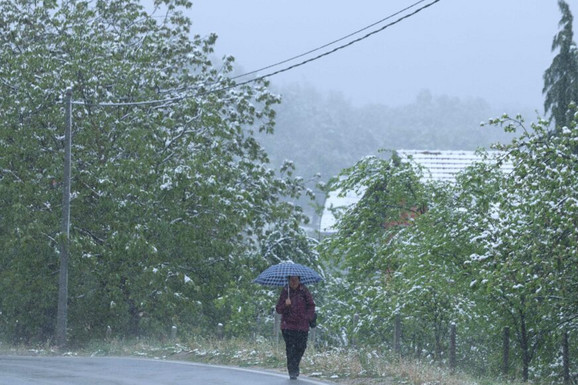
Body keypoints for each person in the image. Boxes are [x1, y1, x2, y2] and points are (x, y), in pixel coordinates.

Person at [275, 275, 316, 380]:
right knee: (290, 348)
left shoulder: (304, 291)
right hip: (288, 326)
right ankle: (292, 370)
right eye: (291, 280)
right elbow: (278, 309)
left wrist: (307, 317)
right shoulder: (285, 291)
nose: (293, 282)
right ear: (288, 280)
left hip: (302, 326)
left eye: (295, 280)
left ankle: (295, 365)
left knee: (301, 347)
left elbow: (311, 305)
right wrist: (285, 304)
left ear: (299, 280)